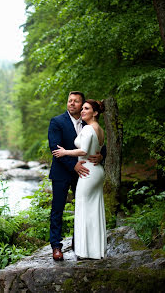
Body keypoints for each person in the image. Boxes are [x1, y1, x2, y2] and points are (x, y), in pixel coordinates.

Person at [47, 91, 105, 261]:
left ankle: (79, 244)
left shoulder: (88, 124)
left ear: (82, 105)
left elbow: (100, 145)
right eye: (69, 101)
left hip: (85, 173)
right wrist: (74, 165)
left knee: (82, 208)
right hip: (62, 172)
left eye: (76, 101)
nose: (72, 103)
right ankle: (56, 246)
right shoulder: (57, 122)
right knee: (58, 209)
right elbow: (55, 148)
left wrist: (101, 156)